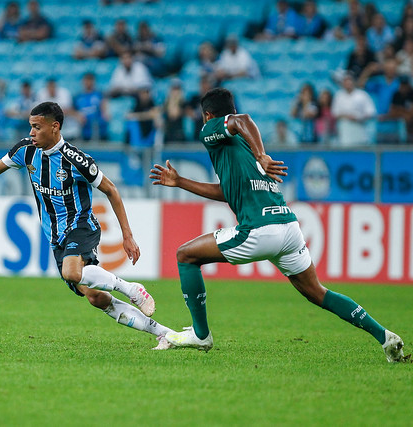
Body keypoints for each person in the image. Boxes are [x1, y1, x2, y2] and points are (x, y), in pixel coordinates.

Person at [149, 87, 405, 363]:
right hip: (288, 227)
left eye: (205, 118)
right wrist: (181, 182)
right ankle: (385, 337)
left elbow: (241, 120)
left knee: (185, 255)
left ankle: (201, 335)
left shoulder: (216, 130)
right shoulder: (241, 144)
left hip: (259, 230)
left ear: (209, 115)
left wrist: (262, 155)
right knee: (317, 292)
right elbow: (228, 191)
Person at [0, 102, 177, 350]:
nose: (31, 133)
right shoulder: (26, 151)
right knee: (96, 298)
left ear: (55, 127)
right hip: (56, 236)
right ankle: (165, 334)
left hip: (81, 225)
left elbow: (111, 190)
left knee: (71, 272)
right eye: (30, 127)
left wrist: (128, 235)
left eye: (37, 127)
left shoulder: (76, 159)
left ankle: (132, 289)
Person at [331, 73, 376, 146]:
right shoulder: (339, 95)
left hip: (360, 127)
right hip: (345, 129)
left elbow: (371, 112)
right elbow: (335, 113)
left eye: (350, 81)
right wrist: (347, 116)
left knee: (360, 147)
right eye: (346, 81)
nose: (348, 84)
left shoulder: (362, 95)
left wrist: (359, 117)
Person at [73, 72, 109, 141]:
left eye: (90, 80)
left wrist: (105, 113)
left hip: (97, 127)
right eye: (86, 80)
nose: (88, 82)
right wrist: (77, 115)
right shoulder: (78, 96)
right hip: (83, 127)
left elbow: (104, 108)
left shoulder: (99, 94)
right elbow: (73, 110)